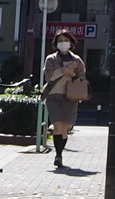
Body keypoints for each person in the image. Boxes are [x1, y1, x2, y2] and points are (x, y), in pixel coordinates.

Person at [42, 29, 86, 168]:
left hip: (71, 96)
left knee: (65, 128)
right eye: (60, 41)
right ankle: (58, 155)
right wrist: (62, 71)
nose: (63, 43)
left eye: (65, 40)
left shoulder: (77, 60)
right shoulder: (51, 59)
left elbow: (82, 78)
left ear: (71, 43)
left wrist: (72, 74)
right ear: (56, 43)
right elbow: (48, 76)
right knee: (57, 125)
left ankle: (60, 152)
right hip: (54, 95)